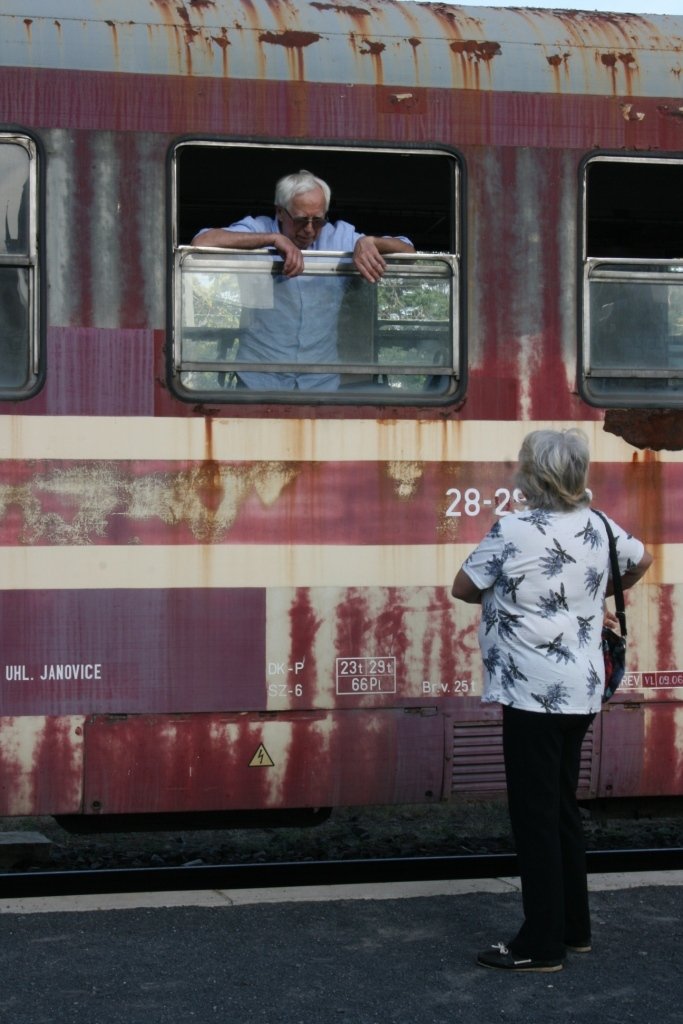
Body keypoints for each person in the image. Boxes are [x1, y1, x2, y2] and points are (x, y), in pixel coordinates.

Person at [451, 429, 652, 973]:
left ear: (532, 476)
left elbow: (463, 588)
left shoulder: (512, 529)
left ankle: (540, 945)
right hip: (583, 688)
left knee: (535, 816)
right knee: (561, 808)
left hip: (531, 690)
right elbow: (641, 559)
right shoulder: (601, 525)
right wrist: (591, 593)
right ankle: (574, 929)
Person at [191, 169, 415, 391]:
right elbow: (202, 241)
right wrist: (272, 239)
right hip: (258, 377)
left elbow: (409, 252)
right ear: (280, 212)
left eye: (317, 220)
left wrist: (371, 242)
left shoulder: (338, 237)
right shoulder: (258, 228)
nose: (309, 230)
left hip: (320, 380)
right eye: (300, 220)